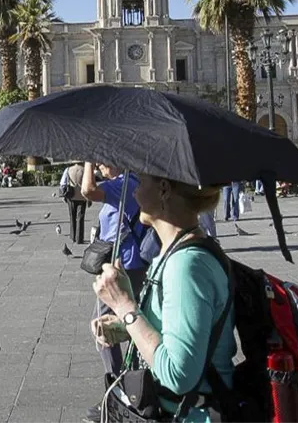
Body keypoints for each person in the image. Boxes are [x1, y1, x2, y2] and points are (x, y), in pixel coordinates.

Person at [93, 174, 235, 423]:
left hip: (192, 414)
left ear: (164, 189)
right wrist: (125, 327)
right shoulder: (174, 251)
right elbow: (175, 328)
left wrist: (124, 306)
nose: (135, 192)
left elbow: (178, 375)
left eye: (142, 182)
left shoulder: (186, 266)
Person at [81, 162, 149, 423]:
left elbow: (87, 190)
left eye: (103, 160)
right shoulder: (131, 182)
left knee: (101, 327)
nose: (99, 164)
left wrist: (86, 159)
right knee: (127, 324)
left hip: (122, 267)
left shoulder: (123, 184)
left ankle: (119, 388)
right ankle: (131, 384)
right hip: (132, 264)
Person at [60, 162, 89, 243]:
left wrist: (64, 195)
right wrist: (89, 199)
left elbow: (63, 183)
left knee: (72, 217)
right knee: (80, 218)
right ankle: (79, 238)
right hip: (82, 196)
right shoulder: (85, 170)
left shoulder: (68, 169)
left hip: (71, 196)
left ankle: (73, 236)